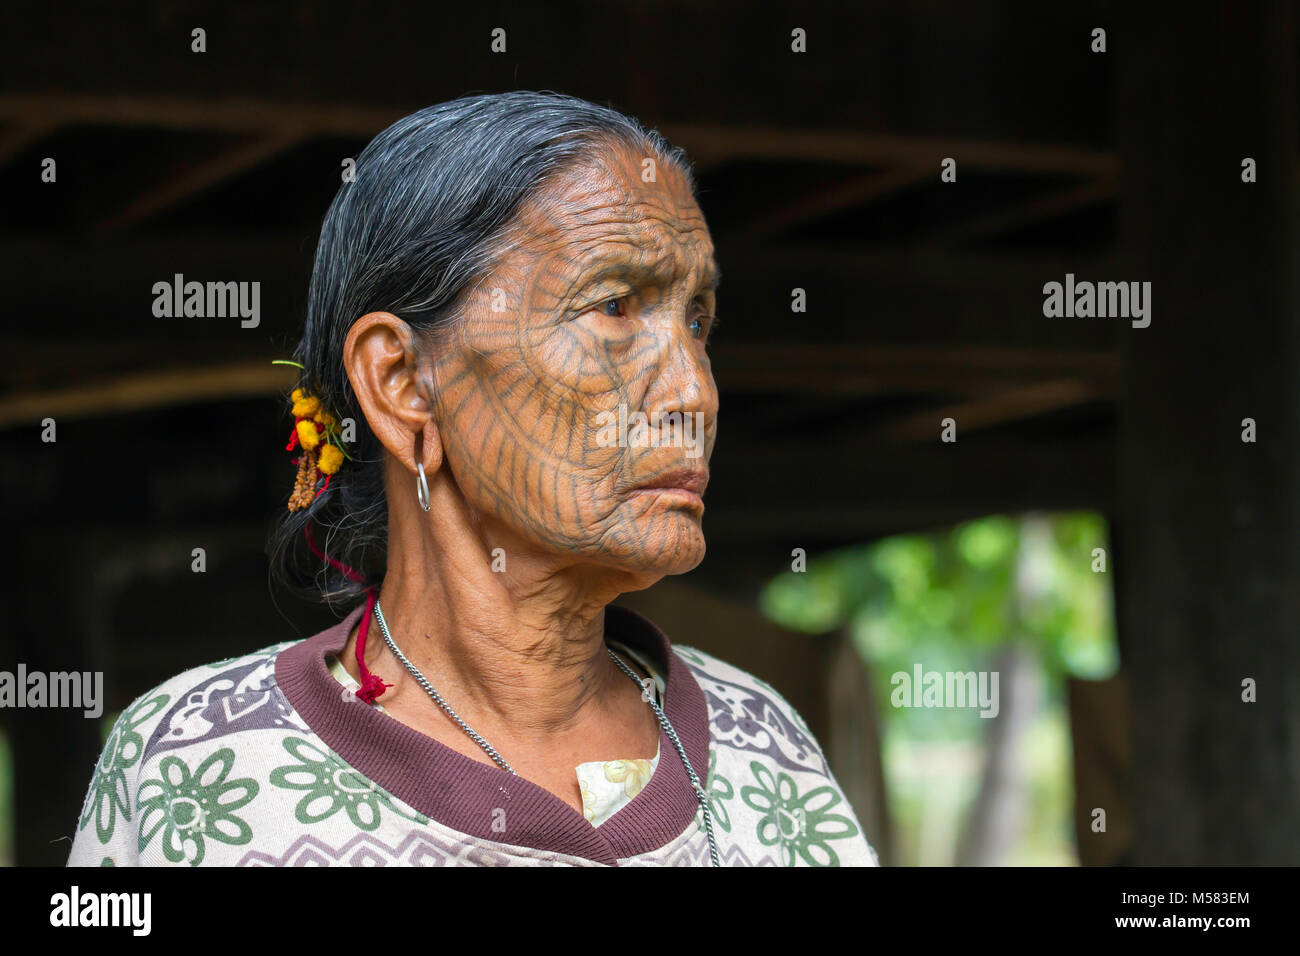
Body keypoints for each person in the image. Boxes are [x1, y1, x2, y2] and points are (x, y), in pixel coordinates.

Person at [68, 91, 878, 867]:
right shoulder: (198, 771)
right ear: (403, 384)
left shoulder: (767, 751)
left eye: (696, 319)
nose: (695, 391)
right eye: (615, 306)